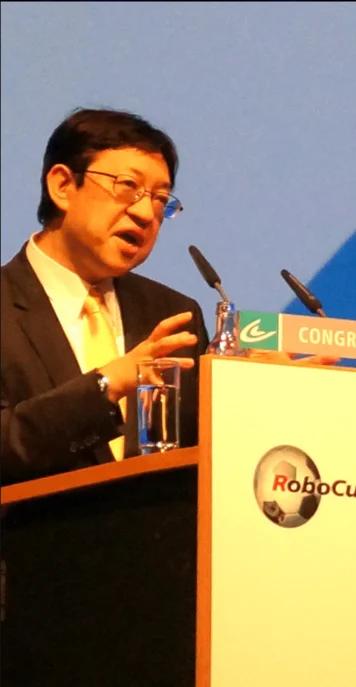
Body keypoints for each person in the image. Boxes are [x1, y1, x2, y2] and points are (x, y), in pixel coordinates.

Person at [2, 108, 332, 485]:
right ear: (62, 186)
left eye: (160, 199)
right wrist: (105, 386)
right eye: (128, 185)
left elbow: (197, 453)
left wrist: (249, 396)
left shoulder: (172, 314)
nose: (146, 213)